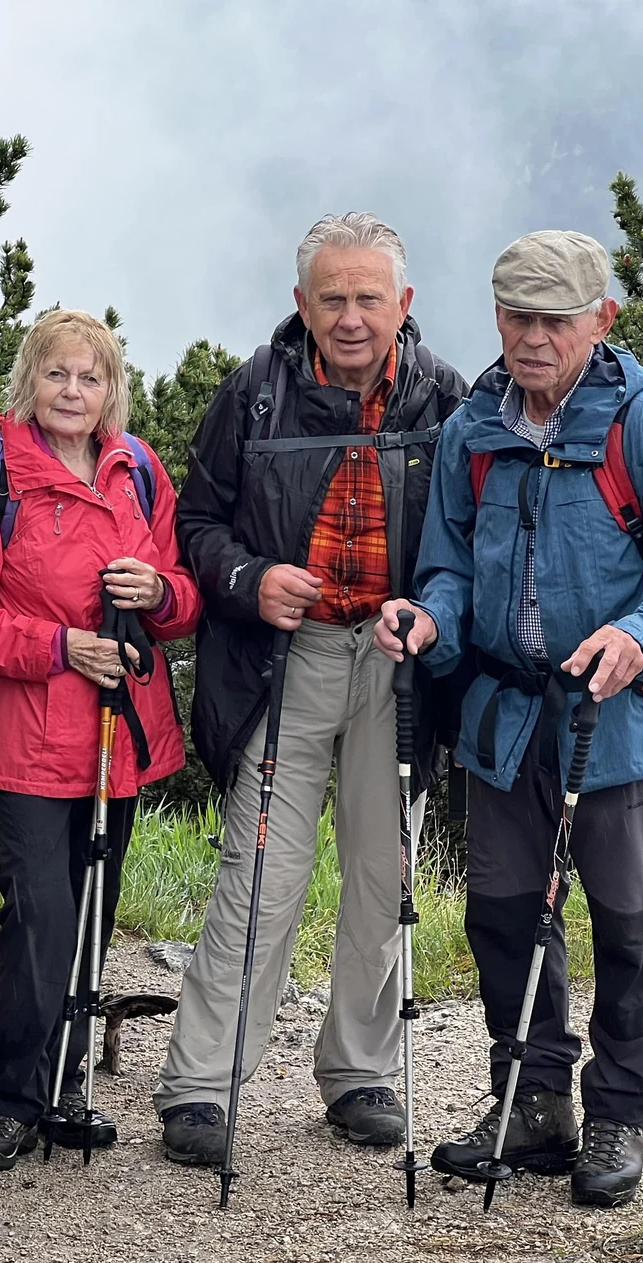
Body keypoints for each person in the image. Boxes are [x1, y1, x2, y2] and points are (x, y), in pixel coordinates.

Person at [375, 230, 643, 1207]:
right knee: (504, 915)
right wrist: (429, 618)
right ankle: (535, 1105)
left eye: (554, 319)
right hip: (505, 717)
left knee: (628, 925)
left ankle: (619, 1112)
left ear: (602, 319)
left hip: (615, 724)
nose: (532, 337)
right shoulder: (476, 430)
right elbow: (450, 566)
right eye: (515, 316)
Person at [154, 213, 468, 1168]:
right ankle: (204, 1085)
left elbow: (474, 538)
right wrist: (252, 582)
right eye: (331, 296)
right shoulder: (255, 392)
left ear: (403, 305)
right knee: (262, 874)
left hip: (396, 660)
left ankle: (360, 1072)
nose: (350, 316)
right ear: (301, 303)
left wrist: (432, 609)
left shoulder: (448, 401)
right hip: (283, 659)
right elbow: (196, 524)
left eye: (369, 297)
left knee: (385, 873)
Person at [0, 310, 201, 1170]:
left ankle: (65, 1086)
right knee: (41, 915)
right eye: (57, 375)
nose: (73, 392)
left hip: (114, 733)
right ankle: (10, 1098)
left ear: (112, 387)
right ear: (30, 381)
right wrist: (60, 646)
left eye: (90, 377)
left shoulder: (139, 469)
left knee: (91, 915)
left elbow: (186, 601)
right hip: (27, 732)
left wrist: (158, 590)